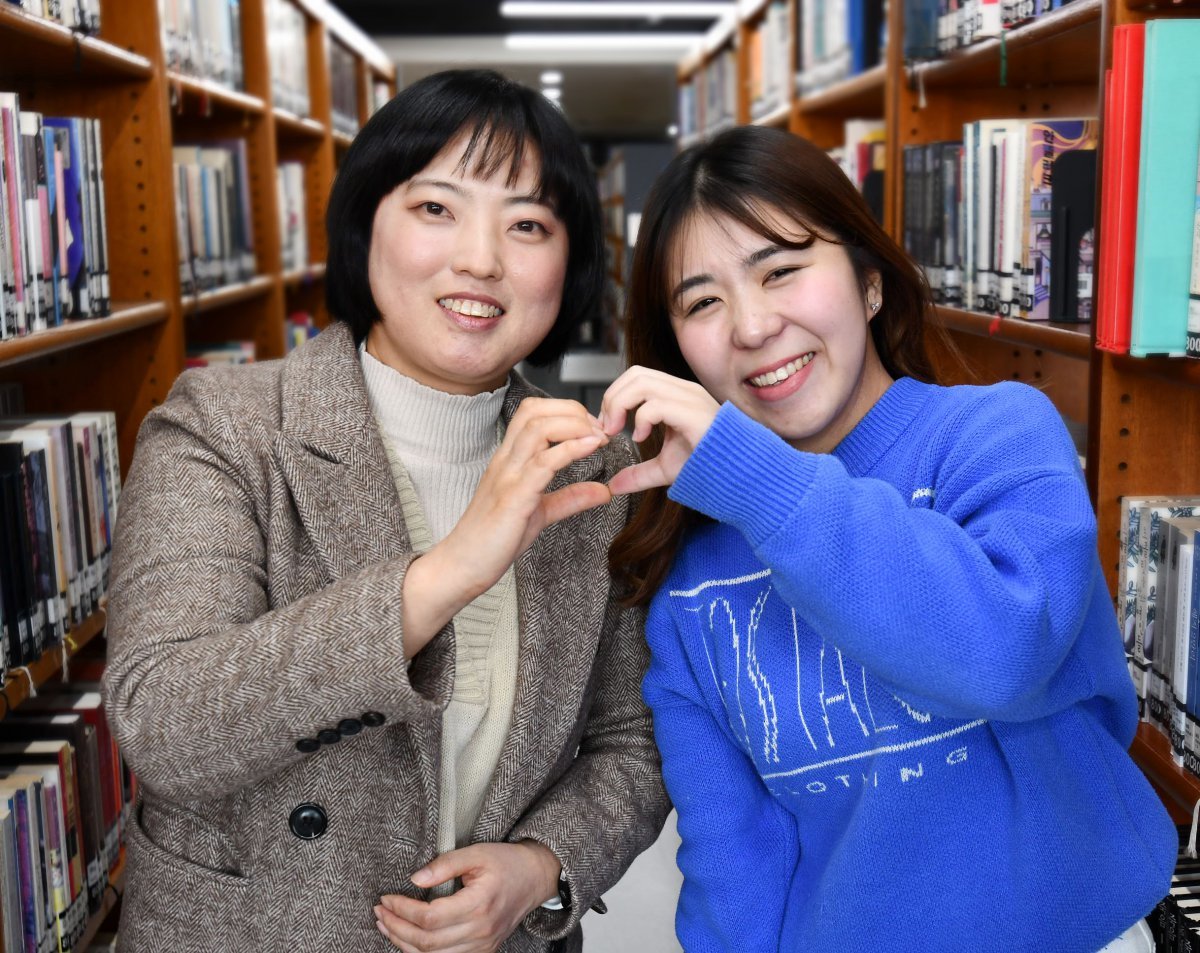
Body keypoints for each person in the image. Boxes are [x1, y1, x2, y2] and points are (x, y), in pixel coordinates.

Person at [103, 69, 668, 953]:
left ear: (572, 265)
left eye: (527, 224)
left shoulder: (600, 466)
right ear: (366, 224)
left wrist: (545, 865)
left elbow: (632, 741)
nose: (481, 258)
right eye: (437, 208)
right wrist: (446, 572)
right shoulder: (223, 427)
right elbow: (162, 722)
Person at [600, 124, 1177, 953]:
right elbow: (737, 858)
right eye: (702, 302)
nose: (752, 326)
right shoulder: (689, 577)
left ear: (870, 284)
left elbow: (1003, 649)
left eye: (782, 270)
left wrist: (763, 487)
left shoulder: (999, 434)